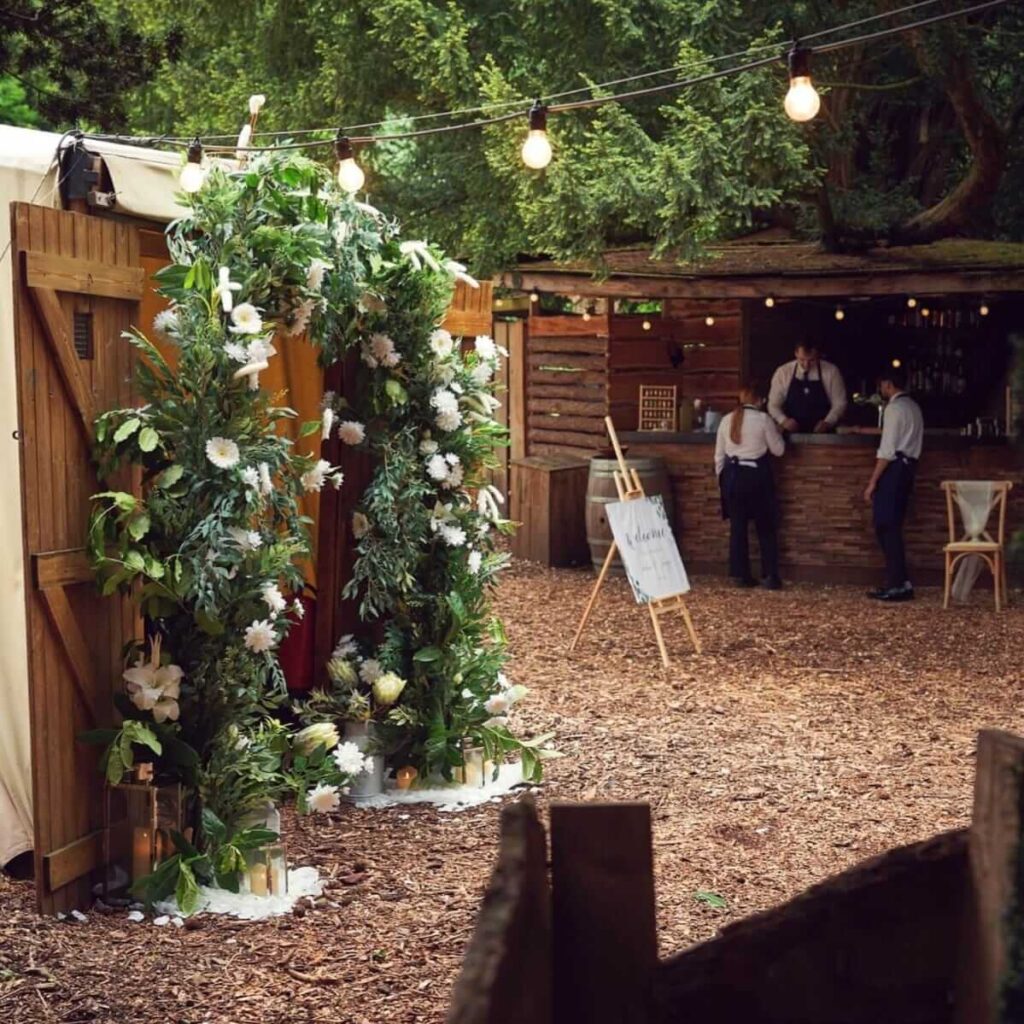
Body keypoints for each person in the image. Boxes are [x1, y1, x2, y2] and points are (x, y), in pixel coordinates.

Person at [715, 381, 786, 589]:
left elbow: (719, 456)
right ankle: (770, 575)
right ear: (759, 400)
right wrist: (779, 432)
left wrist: (721, 482)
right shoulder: (764, 419)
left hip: (732, 476)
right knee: (766, 526)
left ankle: (740, 574)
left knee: (738, 527)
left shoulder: (726, 420)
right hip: (756, 476)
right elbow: (778, 450)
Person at [863, 365, 924, 602]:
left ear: (888, 384)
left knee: (885, 526)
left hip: (895, 469)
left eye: (882, 385)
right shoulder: (914, 407)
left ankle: (896, 583)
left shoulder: (894, 409)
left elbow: (887, 451)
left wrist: (872, 483)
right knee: (893, 525)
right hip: (909, 468)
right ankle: (901, 580)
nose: (881, 389)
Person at [768, 342, 848, 434]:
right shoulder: (783, 372)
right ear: (796, 354)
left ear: (818, 355)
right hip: (791, 435)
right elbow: (773, 405)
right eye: (802, 360)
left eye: (811, 360)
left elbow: (840, 403)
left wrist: (828, 422)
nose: (806, 364)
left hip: (823, 436)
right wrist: (783, 420)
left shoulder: (831, 371)